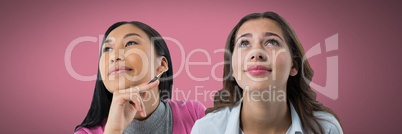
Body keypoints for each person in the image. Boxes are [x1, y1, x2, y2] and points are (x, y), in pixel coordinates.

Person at [191, 11, 343, 134]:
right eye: (244, 43)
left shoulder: (325, 128)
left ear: (294, 66)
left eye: (272, 42)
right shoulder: (205, 129)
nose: (256, 53)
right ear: (232, 70)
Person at [75, 21, 205, 134]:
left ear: (162, 64)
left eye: (130, 43)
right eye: (107, 49)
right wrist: (113, 131)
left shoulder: (194, 114)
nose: (114, 56)